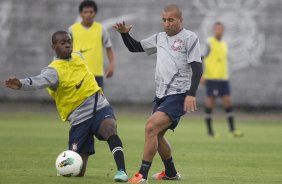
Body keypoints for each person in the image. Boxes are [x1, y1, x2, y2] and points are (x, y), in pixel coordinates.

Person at [4, 31, 128, 182]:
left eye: (69, 41)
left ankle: (122, 171)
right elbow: (38, 81)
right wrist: (21, 84)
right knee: (78, 171)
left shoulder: (78, 56)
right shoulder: (53, 70)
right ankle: (66, 165)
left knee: (110, 129)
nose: (67, 45)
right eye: (62, 43)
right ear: (54, 46)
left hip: (98, 106)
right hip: (79, 118)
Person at [113, 4, 203, 183]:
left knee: (150, 127)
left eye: (171, 20)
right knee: (157, 134)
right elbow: (135, 47)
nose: (167, 23)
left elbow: (198, 67)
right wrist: (124, 34)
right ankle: (170, 172)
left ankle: (142, 175)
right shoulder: (159, 38)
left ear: (180, 20)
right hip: (161, 95)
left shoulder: (189, 37)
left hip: (179, 94)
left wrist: (192, 94)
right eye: (164, 20)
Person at [201, 22, 243, 138]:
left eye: (221, 29)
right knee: (210, 104)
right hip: (212, 78)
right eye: (217, 29)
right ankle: (210, 132)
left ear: (223, 30)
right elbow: (200, 58)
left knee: (228, 102)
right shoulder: (208, 42)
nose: (219, 31)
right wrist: (201, 75)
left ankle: (232, 129)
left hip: (223, 78)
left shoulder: (224, 43)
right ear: (214, 30)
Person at [69, 0, 114, 89]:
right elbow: (66, 50)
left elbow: (109, 48)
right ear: (81, 14)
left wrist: (111, 65)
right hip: (77, 74)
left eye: (91, 12)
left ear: (95, 13)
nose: (88, 14)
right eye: (85, 12)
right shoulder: (72, 29)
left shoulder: (101, 29)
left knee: (98, 102)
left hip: (96, 74)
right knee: (78, 101)